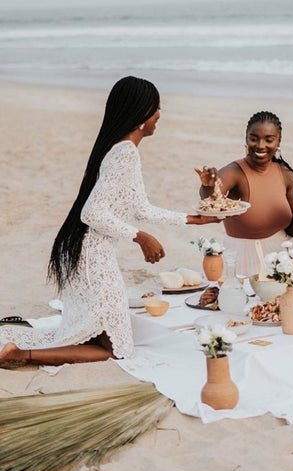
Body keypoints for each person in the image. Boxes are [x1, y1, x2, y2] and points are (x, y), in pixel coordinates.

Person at [0, 76, 219, 368]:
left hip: (81, 253)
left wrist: (193, 219)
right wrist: (141, 237)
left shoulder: (119, 148)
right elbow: (91, 213)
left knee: (96, 336)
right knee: (119, 350)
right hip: (93, 261)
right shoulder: (125, 153)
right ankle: (19, 354)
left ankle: (21, 350)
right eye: (157, 108)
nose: (159, 116)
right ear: (142, 115)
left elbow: (140, 207)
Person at [195, 111, 293, 277]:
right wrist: (208, 185)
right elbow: (210, 197)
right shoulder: (235, 171)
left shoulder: (286, 174)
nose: (261, 145)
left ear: (278, 141)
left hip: (285, 252)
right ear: (246, 139)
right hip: (246, 257)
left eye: (269, 140)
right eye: (254, 138)